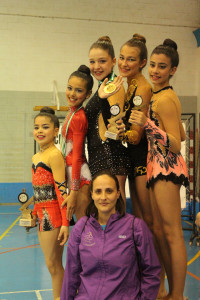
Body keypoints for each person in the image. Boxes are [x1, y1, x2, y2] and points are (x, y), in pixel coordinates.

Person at [130, 39, 189, 300]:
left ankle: (177, 295)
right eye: (152, 65)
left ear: (173, 70)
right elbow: (183, 133)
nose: (154, 70)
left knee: (172, 233)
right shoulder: (161, 96)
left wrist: (148, 125)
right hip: (156, 167)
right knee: (161, 232)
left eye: (161, 67)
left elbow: (176, 145)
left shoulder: (165, 98)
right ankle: (165, 291)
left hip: (167, 167)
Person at [61, 170, 161, 300]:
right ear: (91, 195)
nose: (103, 197)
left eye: (109, 191)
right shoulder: (81, 228)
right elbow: (71, 274)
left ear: (118, 193)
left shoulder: (135, 227)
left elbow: (151, 272)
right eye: (98, 191)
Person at [85, 36, 130, 203]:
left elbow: (116, 129)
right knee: (105, 214)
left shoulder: (114, 86)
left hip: (110, 157)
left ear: (113, 61)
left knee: (115, 213)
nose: (96, 67)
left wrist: (108, 137)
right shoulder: (103, 87)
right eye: (92, 62)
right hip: (99, 157)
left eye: (102, 61)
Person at [32, 107, 69, 300]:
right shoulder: (36, 157)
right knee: (52, 263)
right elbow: (38, 192)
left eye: (45, 127)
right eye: (36, 127)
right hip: (41, 214)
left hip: (52, 214)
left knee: (53, 263)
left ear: (56, 131)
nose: (39, 131)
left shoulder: (54, 155)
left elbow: (62, 191)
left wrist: (65, 222)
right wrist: (33, 212)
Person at [117, 34, 152, 223]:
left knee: (145, 216)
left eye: (130, 59)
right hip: (132, 155)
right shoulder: (129, 84)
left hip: (142, 157)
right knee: (138, 216)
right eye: (122, 57)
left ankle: (152, 253)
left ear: (142, 62)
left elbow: (136, 136)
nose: (124, 63)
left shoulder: (143, 88)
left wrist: (116, 133)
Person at [61, 65, 94, 221]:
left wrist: (73, 191)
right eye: (69, 88)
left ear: (88, 94)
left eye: (78, 90)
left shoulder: (79, 117)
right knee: (81, 227)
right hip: (73, 173)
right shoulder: (71, 112)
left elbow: (77, 156)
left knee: (84, 225)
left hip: (79, 175)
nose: (72, 94)